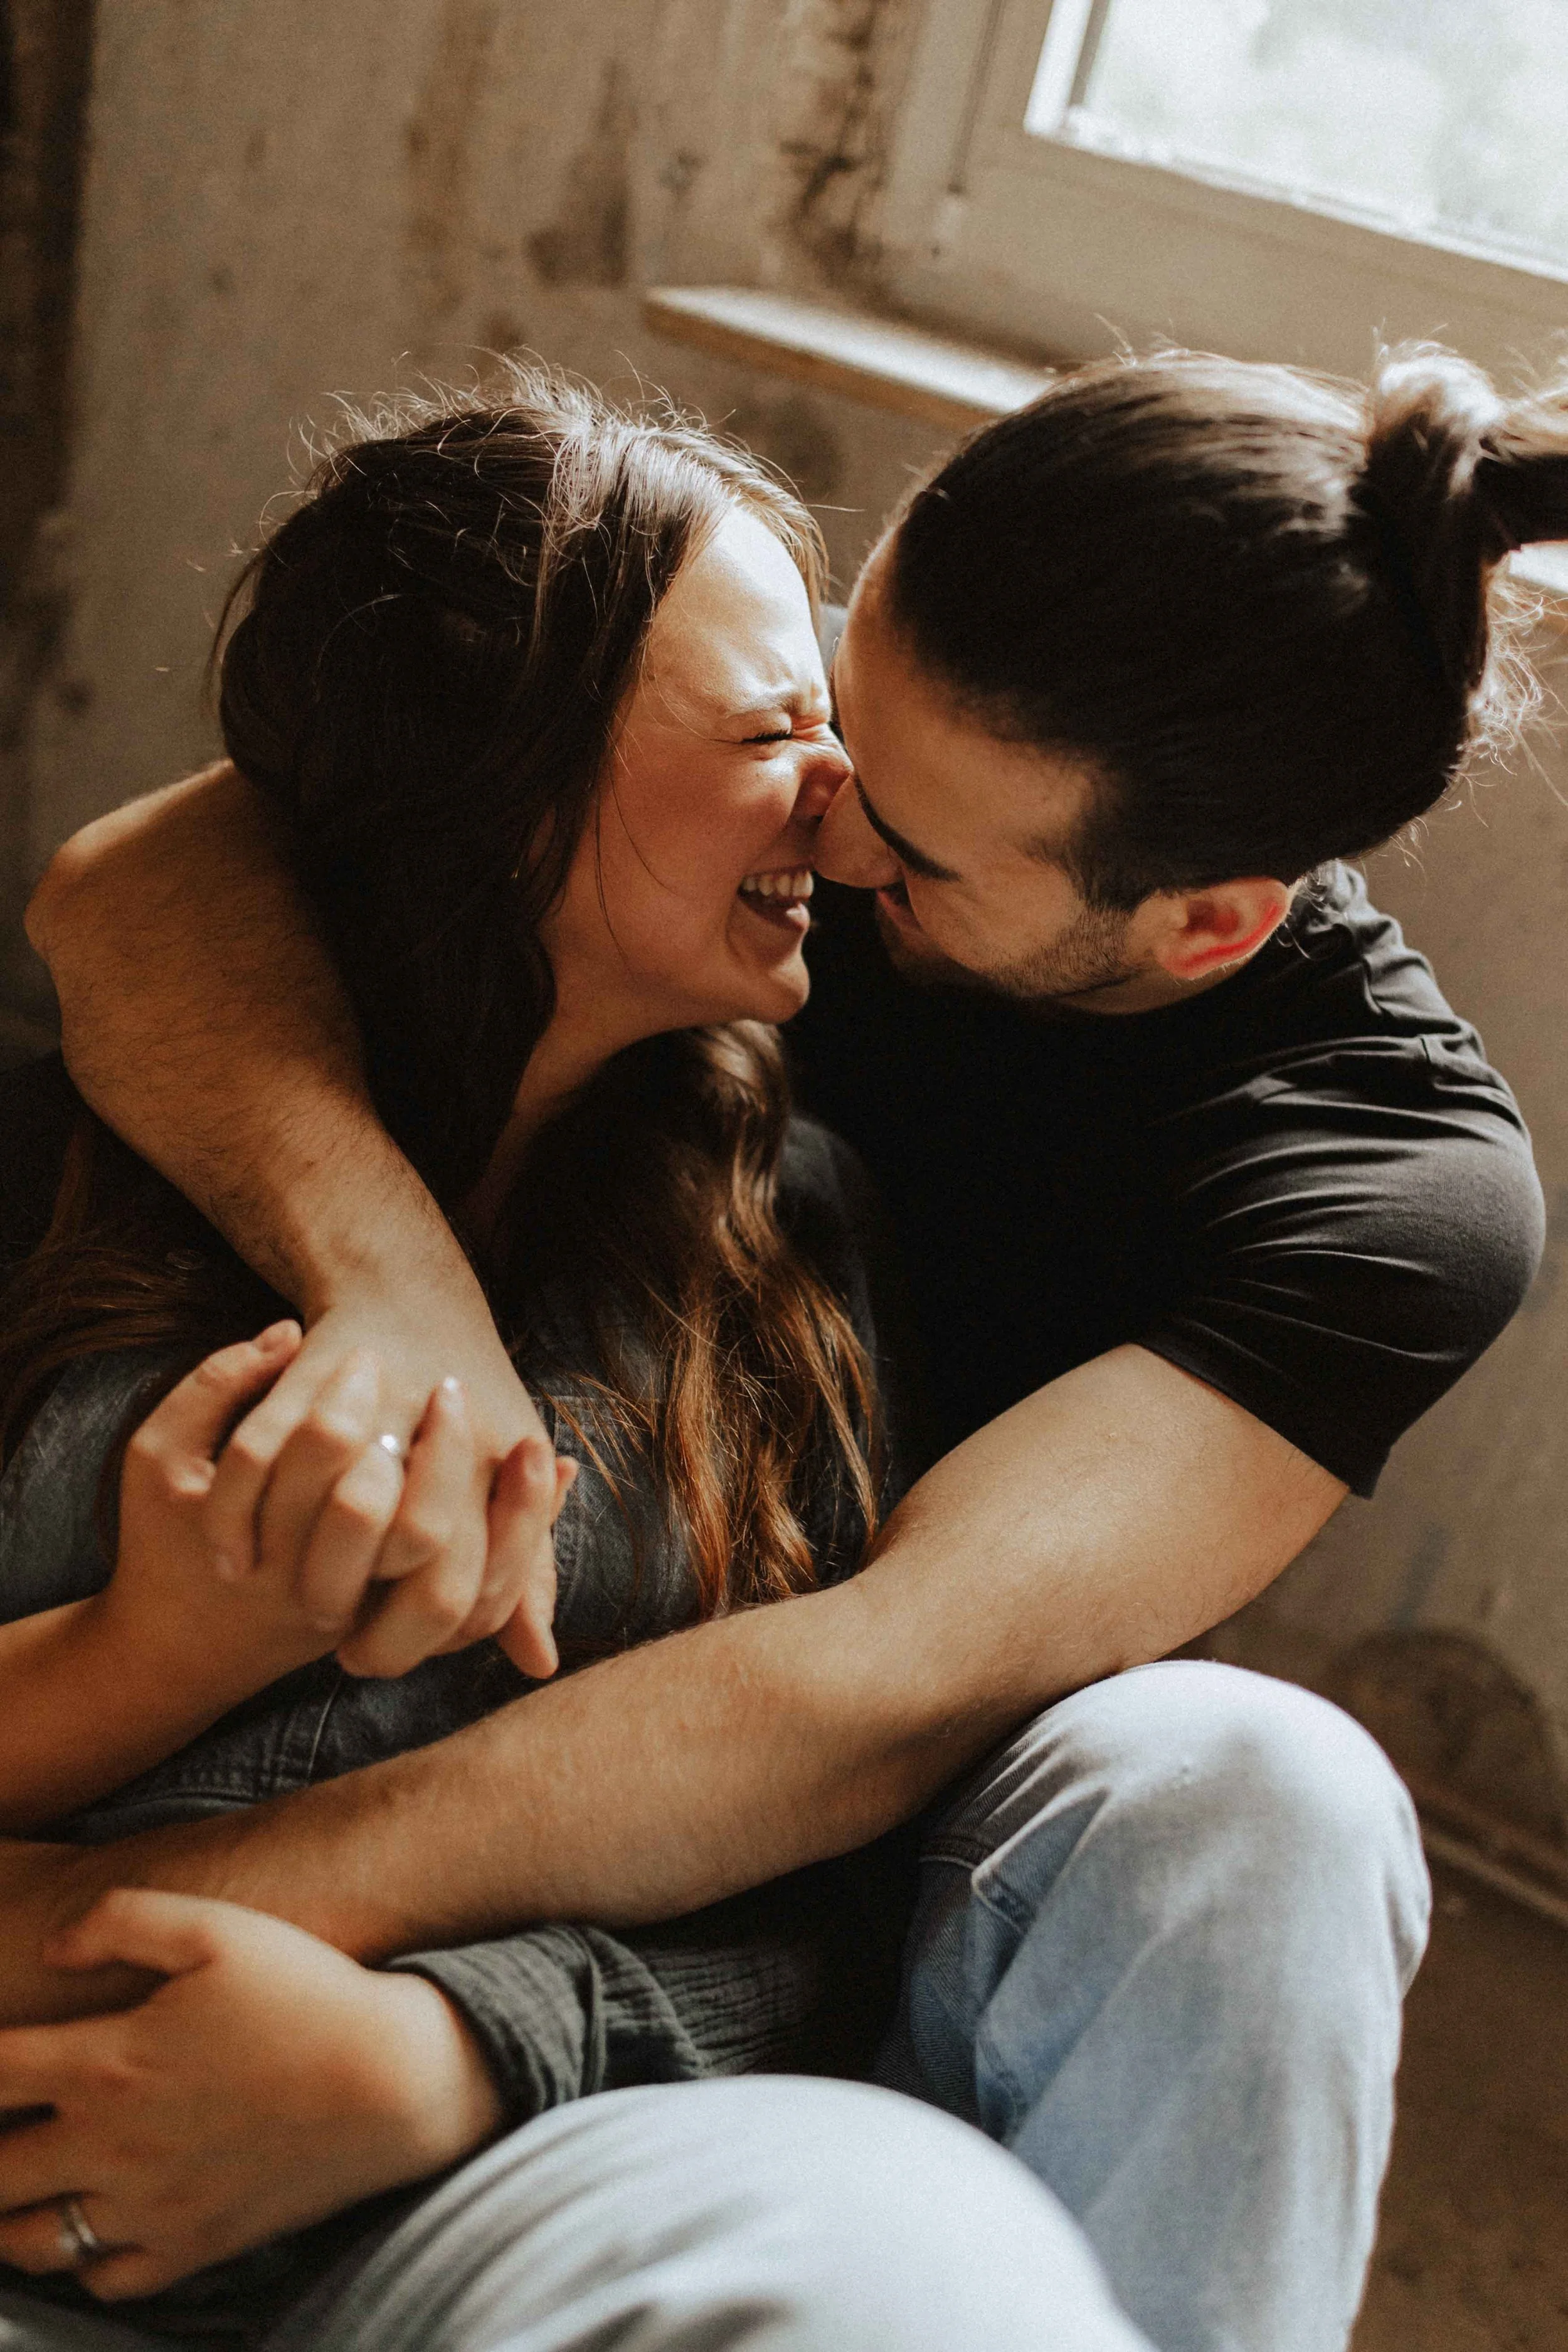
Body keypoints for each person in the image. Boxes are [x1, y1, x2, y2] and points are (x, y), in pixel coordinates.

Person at [11, 341, 1560, 2352]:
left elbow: (859, 1710)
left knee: (1258, 1795)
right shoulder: (867, 744)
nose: (834, 825)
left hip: (770, 1859)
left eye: (902, 846)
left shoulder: (1372, 1183)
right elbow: (160, 868)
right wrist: (401, 1302)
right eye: (812, 700)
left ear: (1202, 926)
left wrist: (356, 2020)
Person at [0, 376, 1122, 2351]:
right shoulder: (50, 1159)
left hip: (498, 2186)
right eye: (777, 728)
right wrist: (155, 1650)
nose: (845, 798)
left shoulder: (787, 1235)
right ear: (500, 773)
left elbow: (850, 1889)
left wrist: (458, 2047)